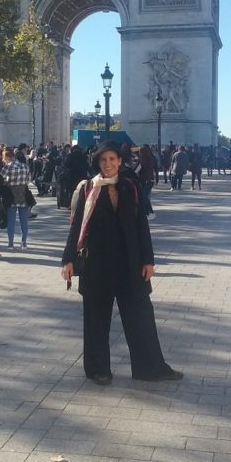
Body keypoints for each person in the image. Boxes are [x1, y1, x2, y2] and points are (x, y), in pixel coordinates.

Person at [61, 141, 183, 385]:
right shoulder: (87, 189)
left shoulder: (130, 186)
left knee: (141, 316)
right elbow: (76, 226)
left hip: (130, 262)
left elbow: (141, 226)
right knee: (96, 319)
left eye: (112, 160)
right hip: (96, 263)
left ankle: (150, 368)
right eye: (103, 160)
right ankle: (98, 370)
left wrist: (148, 260)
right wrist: (68, 260)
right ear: (97, 163)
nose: (108, 164)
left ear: (119, 161)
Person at [1, 147, 30, 249]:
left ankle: (10, 243)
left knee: (11, 221)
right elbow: (28, 181)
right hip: (22, 195)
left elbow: (1, 181)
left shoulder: (6, 168)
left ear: (7, 157)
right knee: (24, 220)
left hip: (11, 196)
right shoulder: (25, 166)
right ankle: (24, 242)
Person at [137, 144, 158, 218]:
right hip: (149, 179)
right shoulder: (151, 157)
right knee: (146, 197)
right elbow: (156, 168)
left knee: (144, 197)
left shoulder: (143, 159)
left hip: (146, 180)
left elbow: (138, 169)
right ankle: (148, 212)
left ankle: (149, 212)